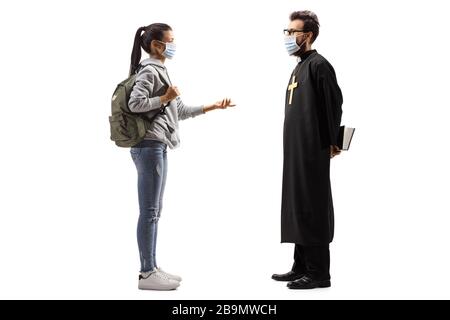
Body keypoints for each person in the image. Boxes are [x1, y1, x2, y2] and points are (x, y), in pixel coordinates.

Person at [128, 23, 235, 291]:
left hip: (157, 146)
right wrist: (164, 96)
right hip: (148, 146)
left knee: (154, 211)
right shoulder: (151, 71)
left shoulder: (161, 71)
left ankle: (151, 267)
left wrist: (213, 106)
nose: (174, 45)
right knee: (149, 211)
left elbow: (181, 111)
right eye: (171, 40)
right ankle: (146, 273)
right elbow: (135, 104)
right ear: (156, 45)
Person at [272, 11, 343, 289]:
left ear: (308, 35)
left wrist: (332, 141)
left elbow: (333, 103)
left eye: (293, 32)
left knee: (312, 205)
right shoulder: (299, 66)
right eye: (287, 32)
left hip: (313, 148)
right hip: (295, 149)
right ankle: (300, 265)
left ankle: (318, 273)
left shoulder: (319, 65)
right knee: (297, 204)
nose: (288, 37)